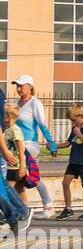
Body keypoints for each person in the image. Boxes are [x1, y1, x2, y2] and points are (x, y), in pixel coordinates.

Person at [11, 76, 56, 218]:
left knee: (14, 178)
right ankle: (25, 209)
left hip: (30, 145)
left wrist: (51, 142)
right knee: (24, 180)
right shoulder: (16, 103)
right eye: (17, 86)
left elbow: (42, 124)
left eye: (21, 86)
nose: (19, 89)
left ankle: (43, 206)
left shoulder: (35, 103)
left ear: (30, 86)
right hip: (16, 145)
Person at [56, 104, 83, 220]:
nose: (73, 123)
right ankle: (68, 208)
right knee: (65, 183)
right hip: (74, 160)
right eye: (71, 121)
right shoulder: (75, 129)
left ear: (80, 116)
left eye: (74, 120)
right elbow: (68, 142)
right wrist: (55, 146)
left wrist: (79, 134)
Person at [0, 106, 32, 234]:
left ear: (8, 117)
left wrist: (23, 166)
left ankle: (16, 213)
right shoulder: (7, 131)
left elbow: (21, 149)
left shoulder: (15, 131)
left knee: (11, 188)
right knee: (12, 188)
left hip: (15, 165)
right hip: (9, 164)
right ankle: (21, 211)